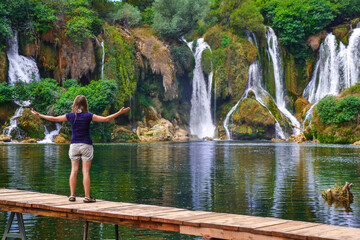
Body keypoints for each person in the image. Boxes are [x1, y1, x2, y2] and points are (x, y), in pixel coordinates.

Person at [31, 95, 130, 203]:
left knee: (74, 170)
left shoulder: (70, 116)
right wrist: (119, 112)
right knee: (86, 172)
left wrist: (39, 114)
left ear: (74, 104)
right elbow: (106, 119)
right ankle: (87, 197)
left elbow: (54, 118)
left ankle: (72, 195)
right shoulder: (88, 116)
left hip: (74, 145)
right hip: (86, 145)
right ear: (85, 104)